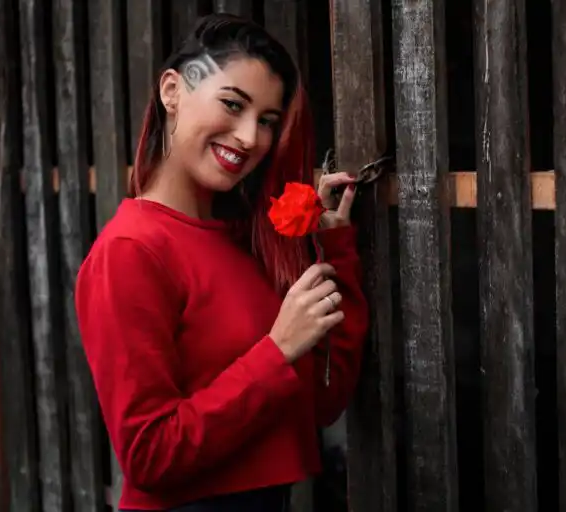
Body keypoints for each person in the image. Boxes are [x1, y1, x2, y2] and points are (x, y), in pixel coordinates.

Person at [75, 13, 368, 511]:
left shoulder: (246, 243)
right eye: (233, 104)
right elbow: (148, 454)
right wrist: (276, 351)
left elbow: (325, 399)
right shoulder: (130, 250)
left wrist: (333, 246)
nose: (250, 137)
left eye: (267, 121)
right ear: (172, 91)